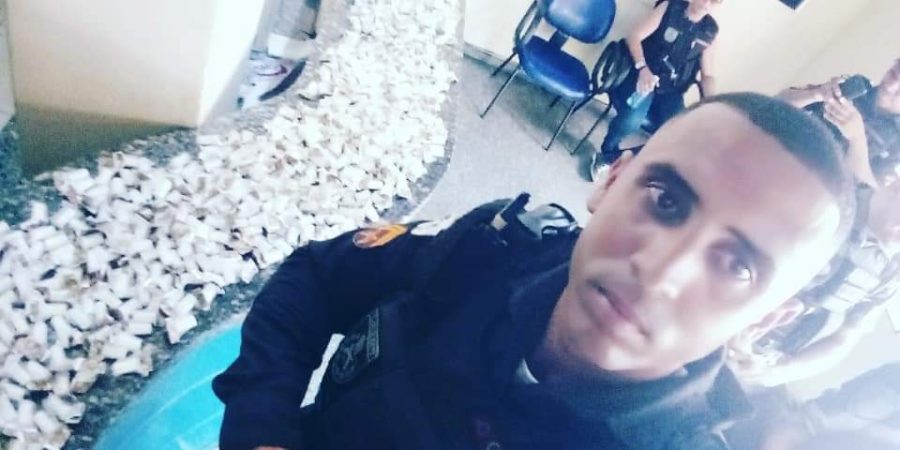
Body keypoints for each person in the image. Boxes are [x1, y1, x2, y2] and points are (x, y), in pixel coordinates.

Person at [213, 93, 856, 450]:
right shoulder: (492, 247)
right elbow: (317, 277)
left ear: (768, 319)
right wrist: (260, 428)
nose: (662, 273)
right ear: (613, 179)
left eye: (738, 265)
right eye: (666, 201)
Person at [589, 0, 723, 180]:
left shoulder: (709, 31)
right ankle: (608, 148)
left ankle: (614, 160)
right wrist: (643, 68)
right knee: (632, 119)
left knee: (678, 135)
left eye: (715, 0)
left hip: (672, 90)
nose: (707, 3)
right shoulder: (670, 7)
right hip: (644, 74)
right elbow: (634, 37)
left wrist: (712, 104)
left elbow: (708, 75)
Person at [779, 58, 900, 188]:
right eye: (894, 73)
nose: (893, 84)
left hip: (812, 193)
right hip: (781, 159)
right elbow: (776, 105)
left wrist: (857, 139)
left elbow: (867, 191)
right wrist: (817, 93)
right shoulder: (858, 86)